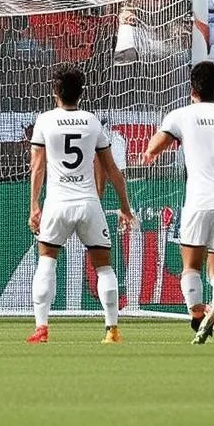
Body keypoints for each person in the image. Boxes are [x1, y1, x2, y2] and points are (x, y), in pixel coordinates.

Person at [144, 60, 214, 344]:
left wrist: (149, 154)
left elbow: (153, 148)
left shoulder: (180, 115)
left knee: (191, 267)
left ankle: (197, 315)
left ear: (191, 87)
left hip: (196, 201)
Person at [27, 64, 135, 344]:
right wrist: (125, 206)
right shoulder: (92, 121)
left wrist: (34, 205)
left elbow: (37, 167)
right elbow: (111, 169)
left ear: (55, 92)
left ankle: (42, 328)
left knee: (46, 263)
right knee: (104, 268)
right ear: (81, 93)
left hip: (57, 203)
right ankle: (112, 330)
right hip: (88, 203)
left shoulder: (45, 121)